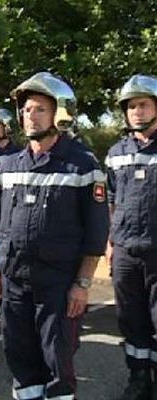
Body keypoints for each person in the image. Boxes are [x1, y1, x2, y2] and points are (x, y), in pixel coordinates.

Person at [0, 71, 109, 400]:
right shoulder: (9, 165)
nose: (31, 115)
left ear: (60, 113)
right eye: (26, 109)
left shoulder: (83, 166)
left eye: (40, 108)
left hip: (58, 283)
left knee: (56, 357)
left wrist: (82, 284)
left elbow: (96, 232)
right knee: (19, 356)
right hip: (14, 281)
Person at [105, 74, 157, 400]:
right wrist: (111, 242)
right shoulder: (115, 152)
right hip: (125, 249)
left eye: (143, 104)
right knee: (131, 319)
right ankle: (139, 378)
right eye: (131, 106)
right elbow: (111, 199)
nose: (136, 111)